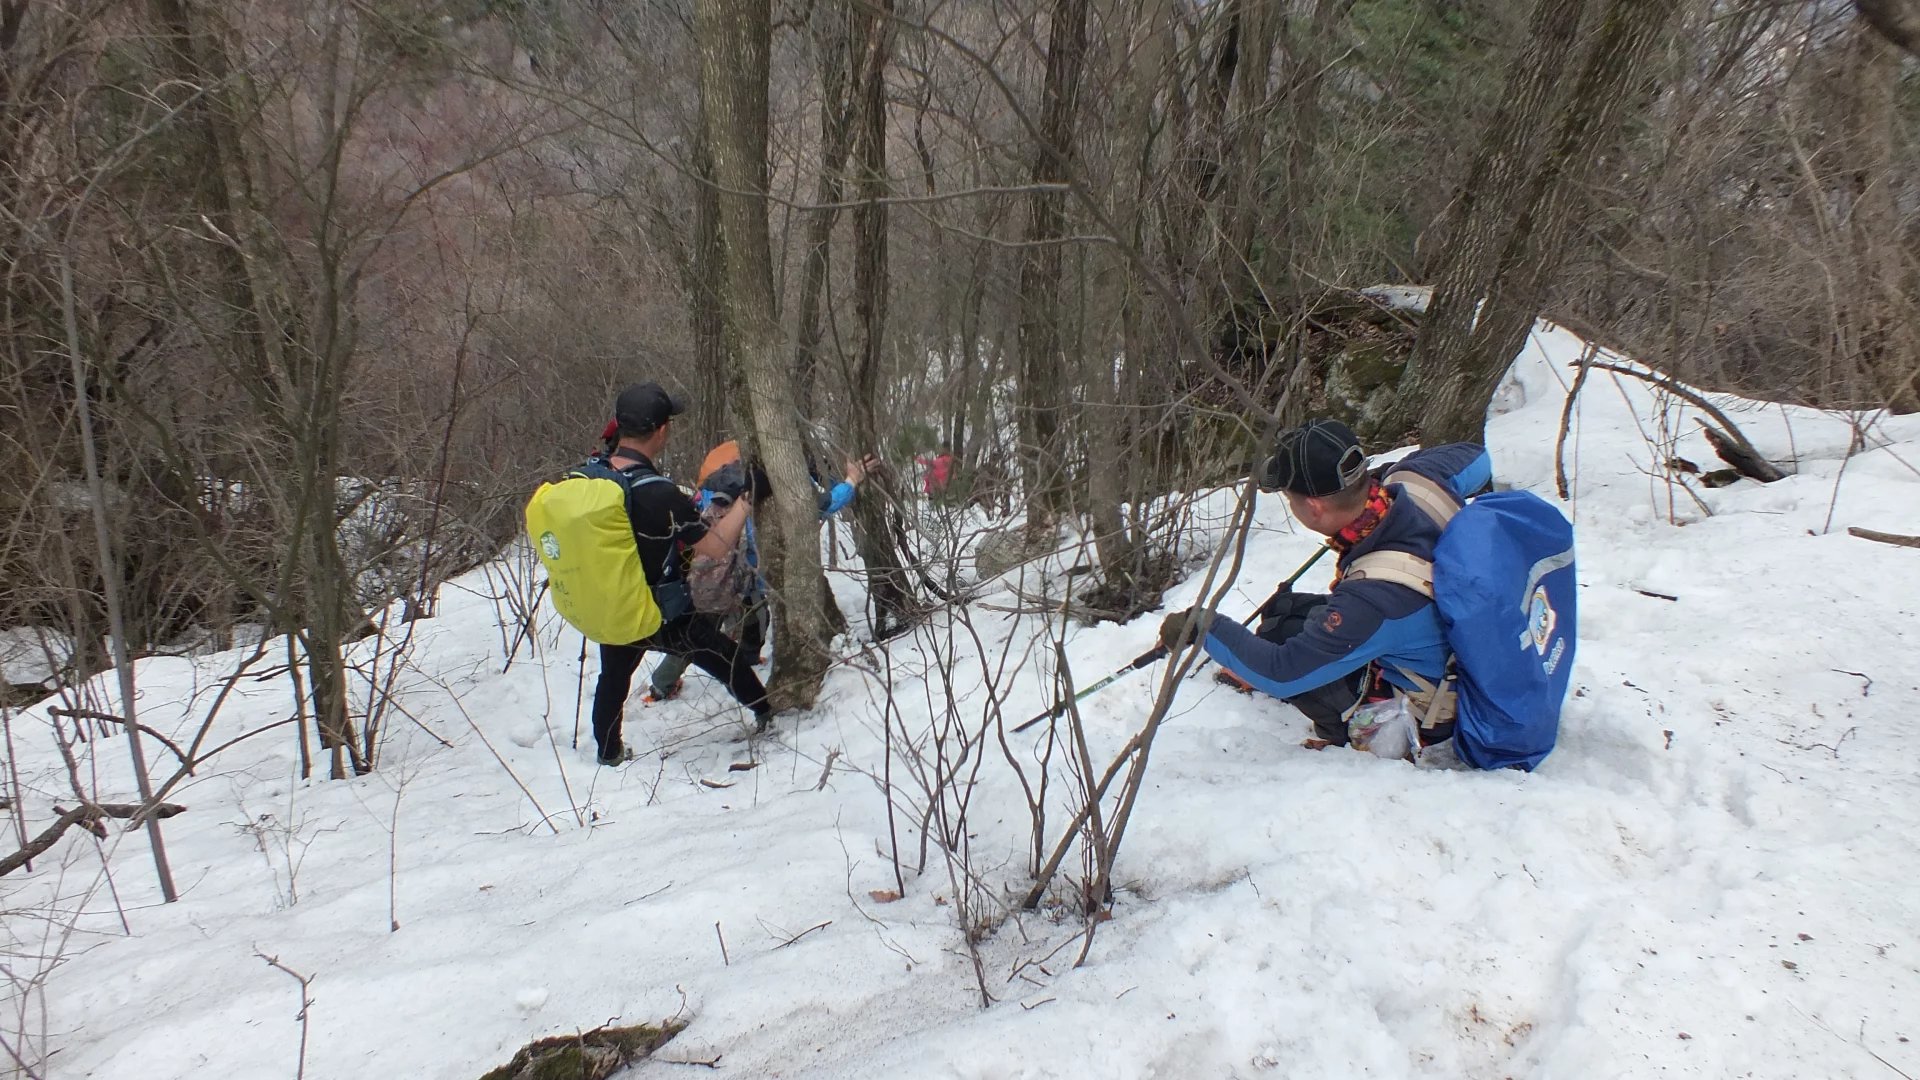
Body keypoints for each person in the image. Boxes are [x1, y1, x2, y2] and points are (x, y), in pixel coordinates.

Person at [1159, 419, 1492, 753]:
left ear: (1313, 507)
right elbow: (1478, 459)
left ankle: (1345, 736)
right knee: (1285, 614)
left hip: (1426, 712)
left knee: (1290, 656)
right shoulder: (1418, 482)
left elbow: (1282, 673)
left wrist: (1202, 626)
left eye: (1290, 498)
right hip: (1462, 647)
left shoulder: (1371, 598)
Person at [588, 383, 772, 764]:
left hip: (615, 604)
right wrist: (747, 498)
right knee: (723, 656)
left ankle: (608, 752)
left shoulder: (592, 476)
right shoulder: (659, 493)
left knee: (613, 678)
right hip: (662, 611)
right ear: (661, 431)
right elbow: (715, 546)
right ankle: (766, 712)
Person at [643, 441, 879, 703]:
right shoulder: (784, 484)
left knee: (750, 612)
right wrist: (851, 481)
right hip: (735, 569)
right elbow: (821, 505)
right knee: (704, 629)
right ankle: (662, 684)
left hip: (720, 565)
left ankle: (747, 657)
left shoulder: (722, 479)